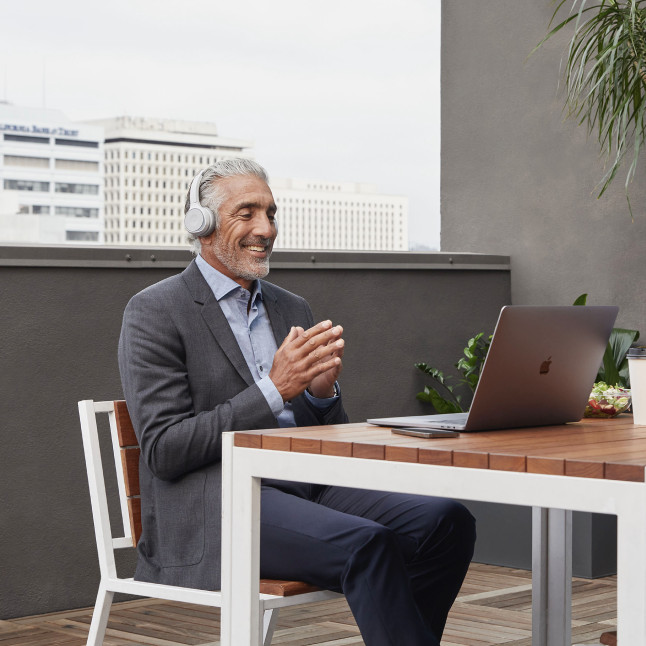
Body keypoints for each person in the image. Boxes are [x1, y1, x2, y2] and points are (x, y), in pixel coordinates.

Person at [118, 158, 476, 646]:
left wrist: (321, 394)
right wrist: (276, 387)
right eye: (247, 213)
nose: (265, 229)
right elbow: (165, 449)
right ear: (201, 224)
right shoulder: (157, 310)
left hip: (305, 486)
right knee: (367, 544)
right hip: (220, 505)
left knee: (446, 522)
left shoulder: (291, 306)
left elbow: (322, 431)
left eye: (270, 213)